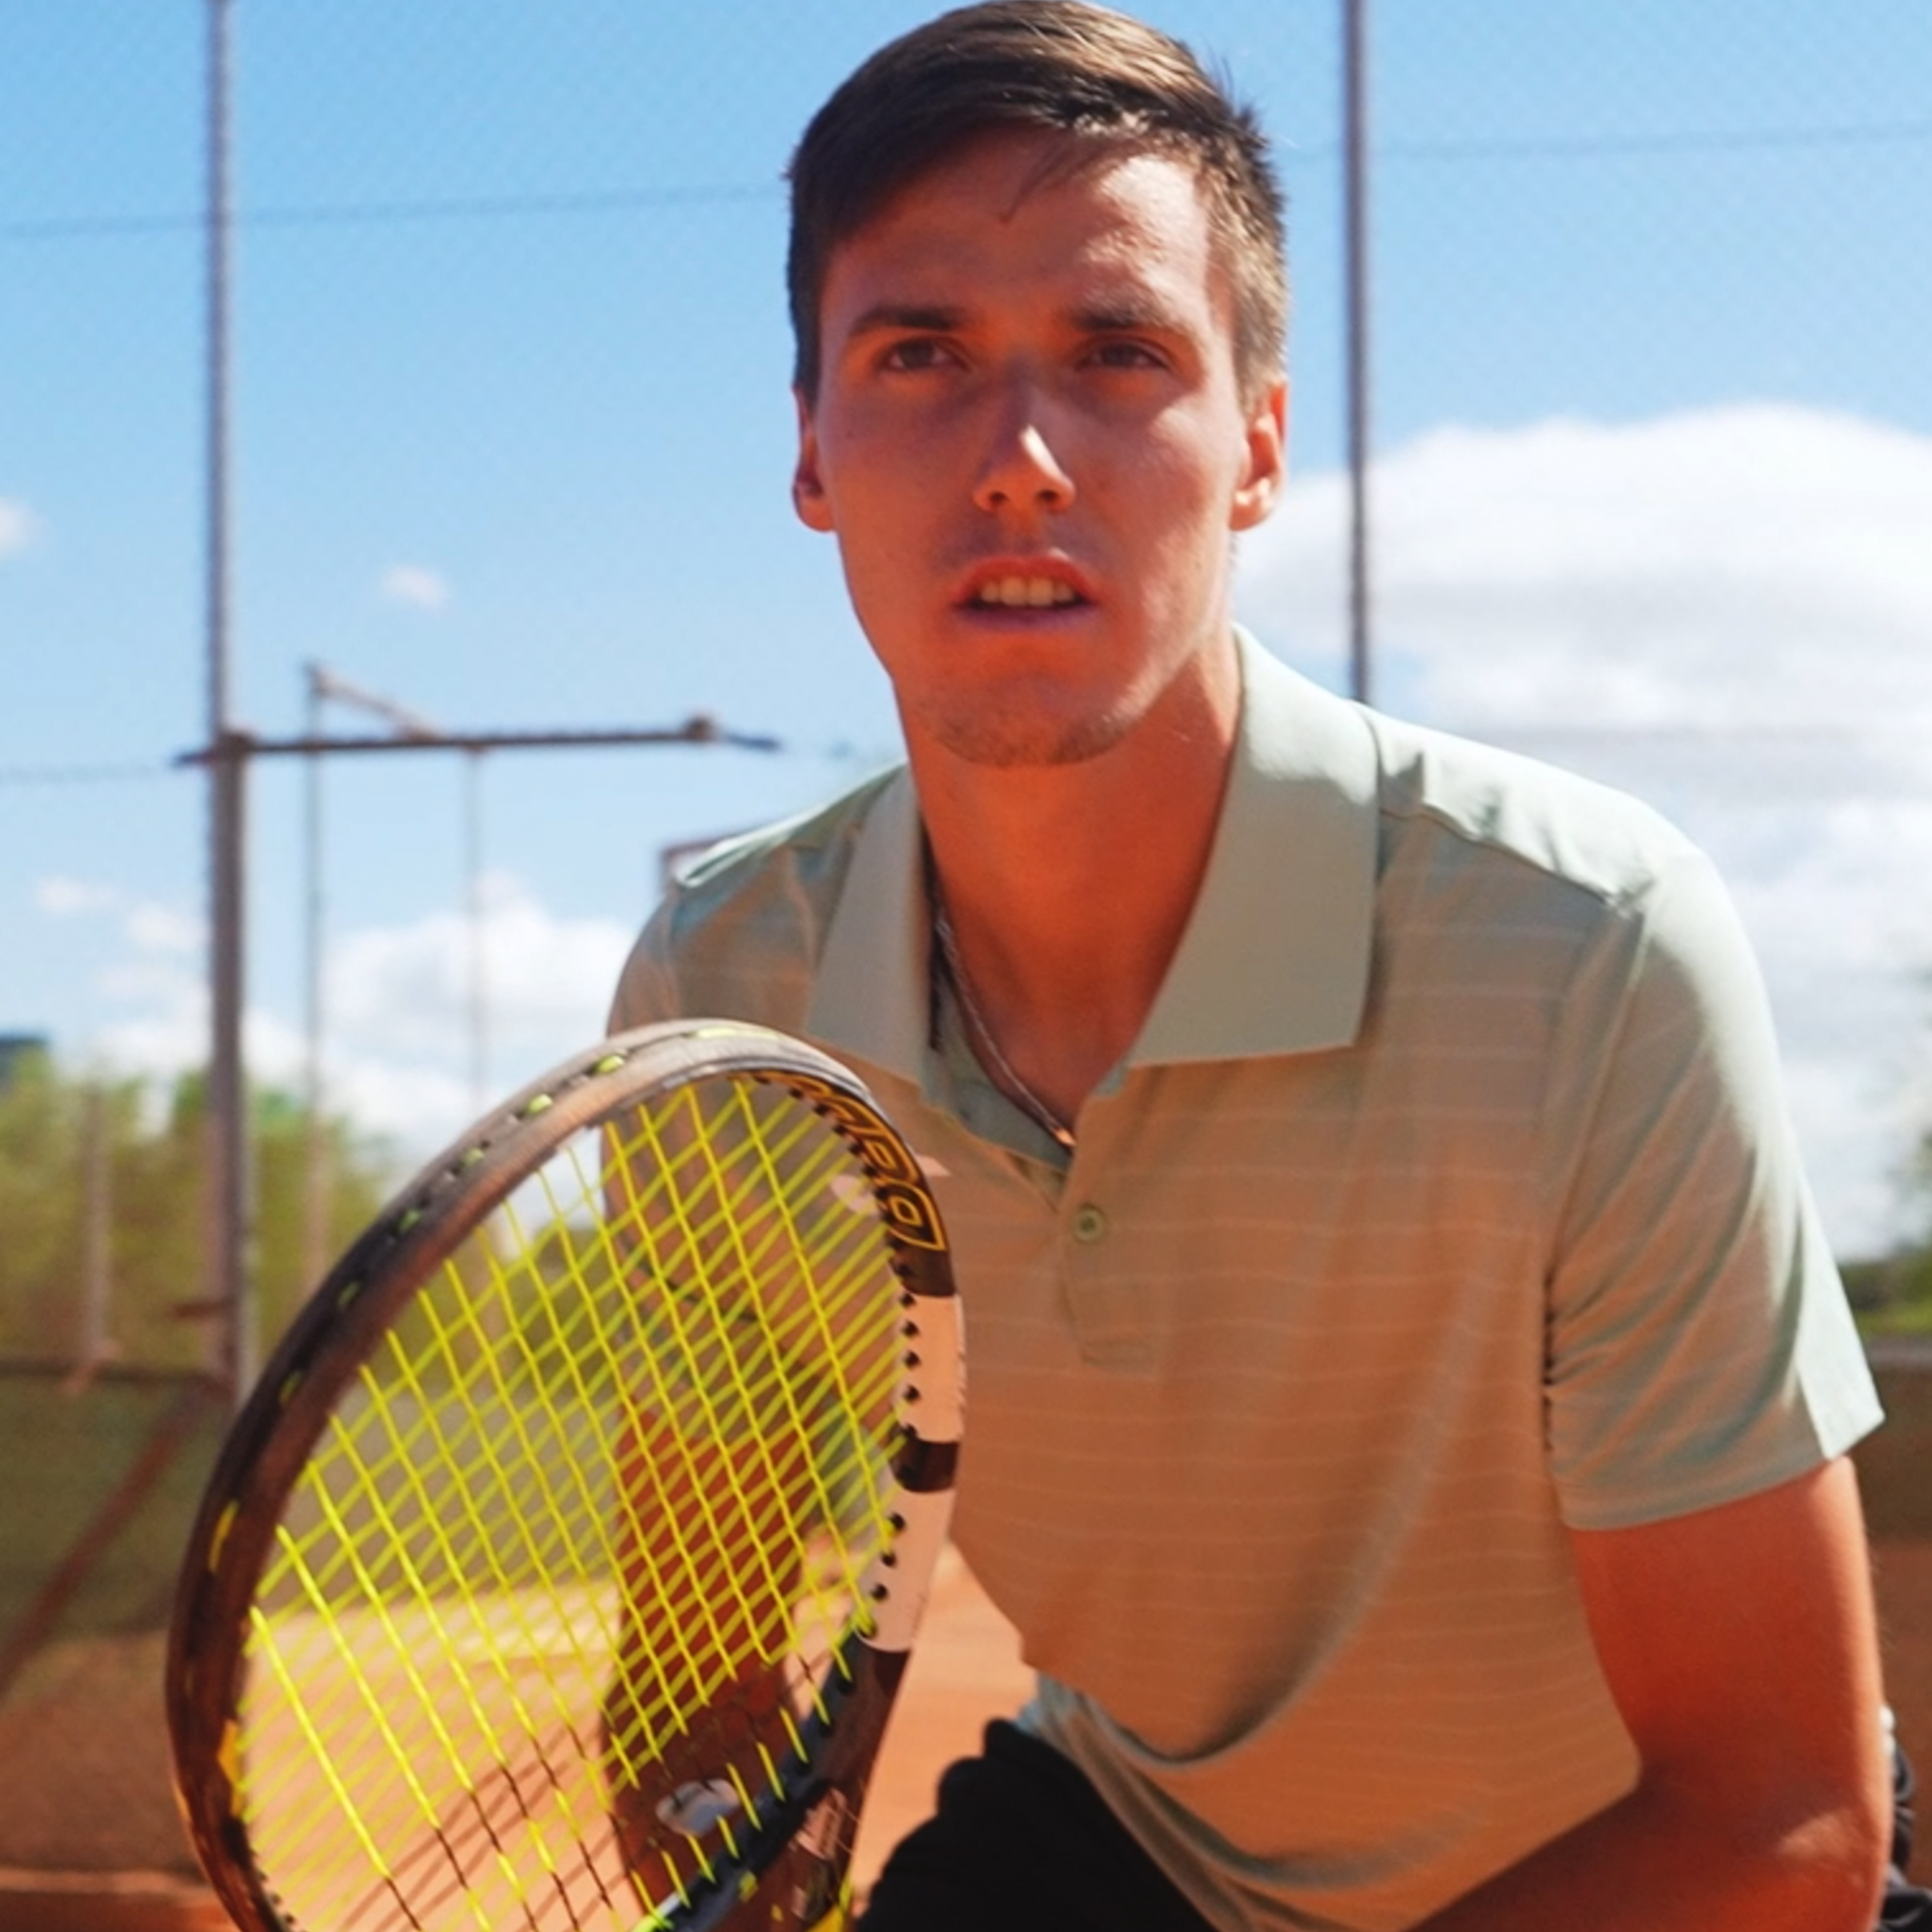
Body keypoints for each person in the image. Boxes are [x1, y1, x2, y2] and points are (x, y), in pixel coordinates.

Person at [610, 5, 1930, 1926]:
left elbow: (1775, 1821)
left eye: (1118, 352)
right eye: (920, 354)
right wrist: (705, 1814)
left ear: (1254, 448)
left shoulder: (1583, 945)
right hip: (1143, 1840)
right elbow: (696, 1695)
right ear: (812, 449)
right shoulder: (725, 991)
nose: (1020, 458)